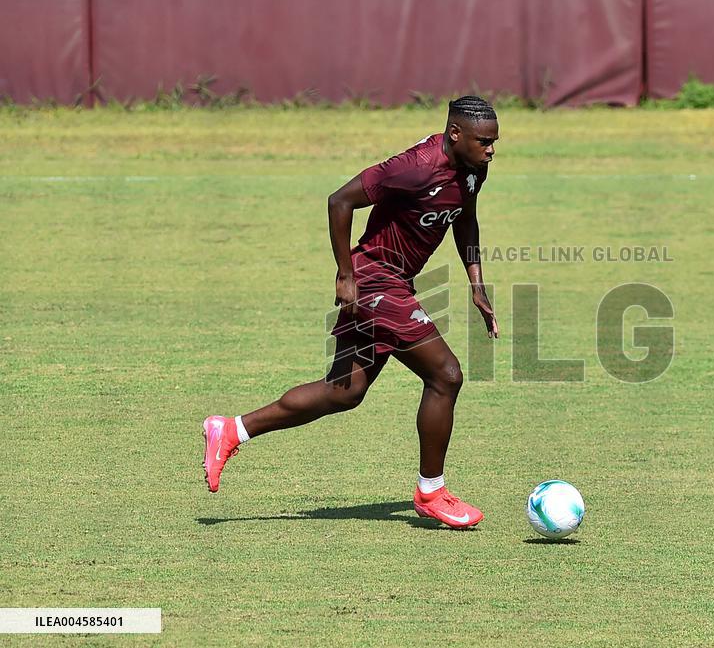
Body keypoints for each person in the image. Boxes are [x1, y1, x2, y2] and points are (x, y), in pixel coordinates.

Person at [202, 96, 500, 529]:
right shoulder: (415, 166)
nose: (491, 149)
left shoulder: (474, 169)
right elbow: (339, 200)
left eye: (494, 142)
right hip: (375, 279)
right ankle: (431, 492)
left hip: (395, 282)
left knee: (343, 392)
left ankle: (230, 430)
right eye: (484, 141)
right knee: (446, 375)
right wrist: (346, 273)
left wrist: (476, 283)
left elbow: (465, 218)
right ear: (455, 134)